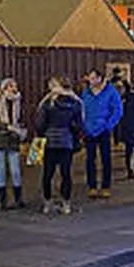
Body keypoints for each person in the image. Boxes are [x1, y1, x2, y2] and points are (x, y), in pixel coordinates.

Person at [36, 76, 84, 215]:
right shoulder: (76, 102)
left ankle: (47, 203)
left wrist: (43, 133)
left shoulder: (46, 102)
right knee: (66, 174)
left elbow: (40, 124)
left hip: (49, 142)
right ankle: (66, 203)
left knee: (47, 174)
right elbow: (79, 125)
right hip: (66, 142)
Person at [81, 68, 124, 199]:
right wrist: (83, 126)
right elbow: (82, 109)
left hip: (103, 129)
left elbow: (118, 110)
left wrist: (108, 125)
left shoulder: (110, 92)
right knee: (90, 159)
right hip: (89, 130)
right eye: (90, 78)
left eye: (94, 78)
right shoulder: (86, 92)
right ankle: (92, 186)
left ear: (100, 78)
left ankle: (106, 186)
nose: (91, 81)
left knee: (106, 158)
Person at [0, 78, 26, 210]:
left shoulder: (18, 102)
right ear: (5, 88)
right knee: (1, 171)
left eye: (15, 86)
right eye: (11, 86)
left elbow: (20, 119)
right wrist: (9, 127)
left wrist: (20, 129)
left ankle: (18, 199)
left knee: (16, 171)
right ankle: (2, 201)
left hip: (13, 140)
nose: (14, 89)